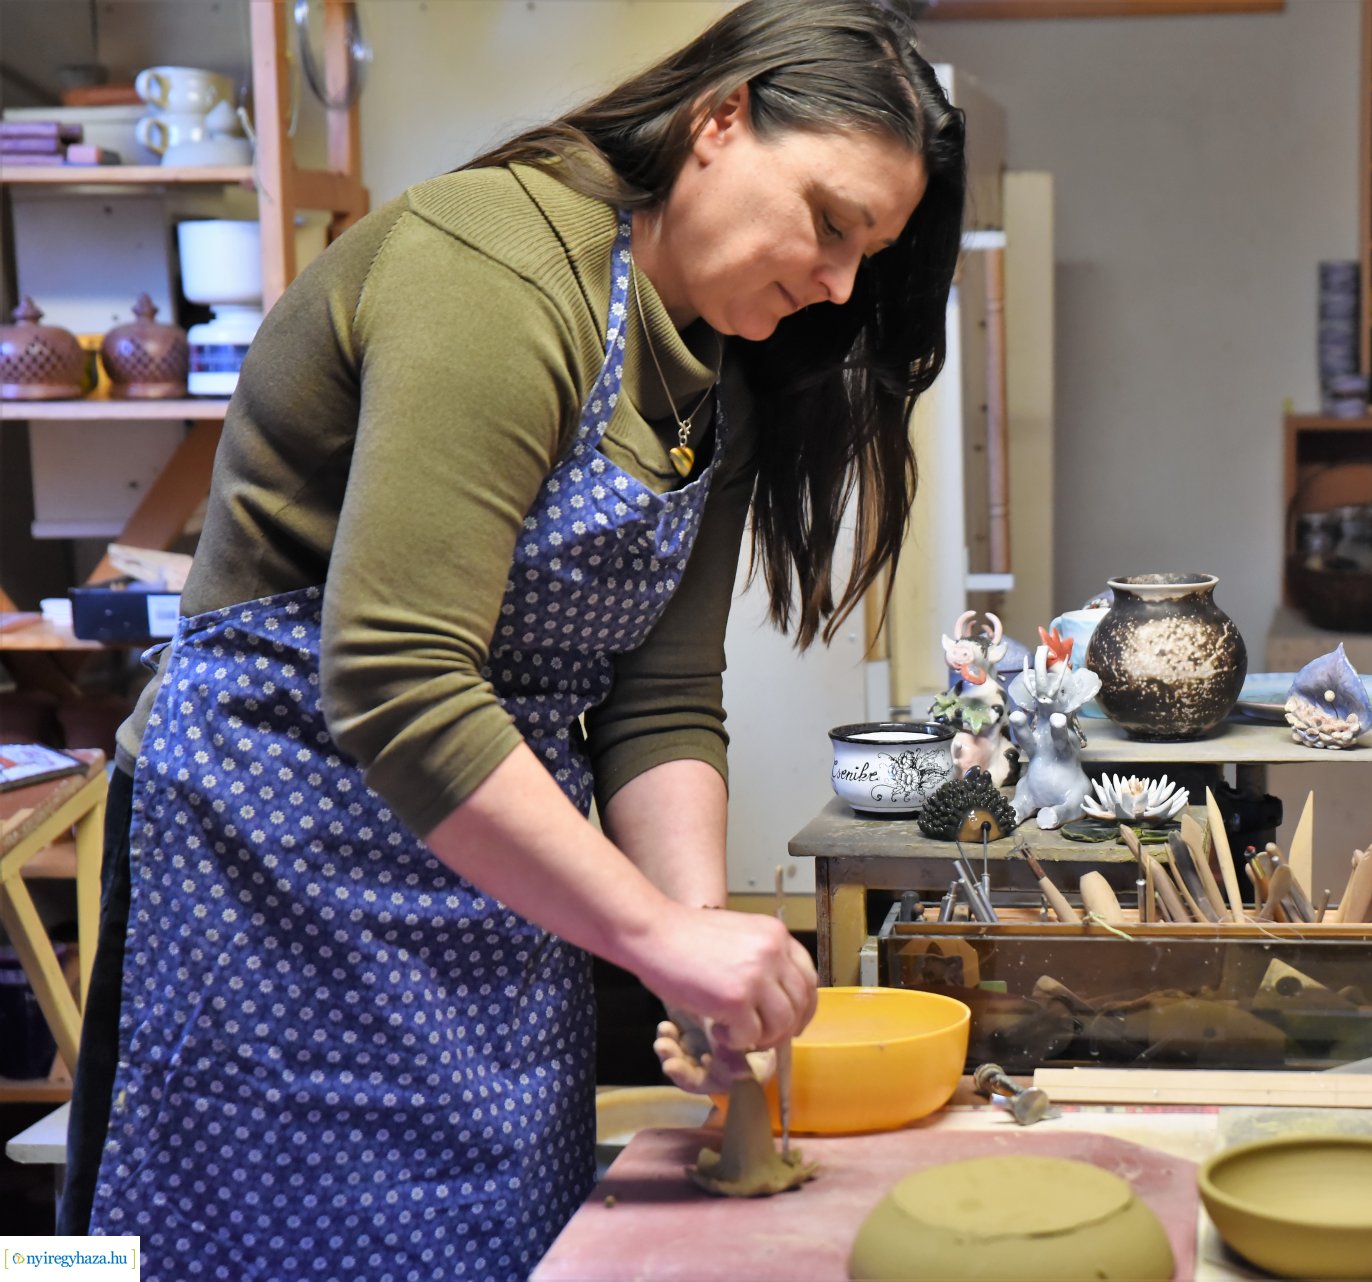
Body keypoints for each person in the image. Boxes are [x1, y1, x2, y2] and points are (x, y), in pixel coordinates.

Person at [58, 2, 965, 1275]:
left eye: (866, 252)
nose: (839, 284)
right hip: (277, 863)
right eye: (828, 223)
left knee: (504, 1235)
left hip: (505, 878)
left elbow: (661, 695)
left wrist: (696, 952)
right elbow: (397, 677)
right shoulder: (494, 267)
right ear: (720, 122)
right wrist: (652, 932)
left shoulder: (719, 377)